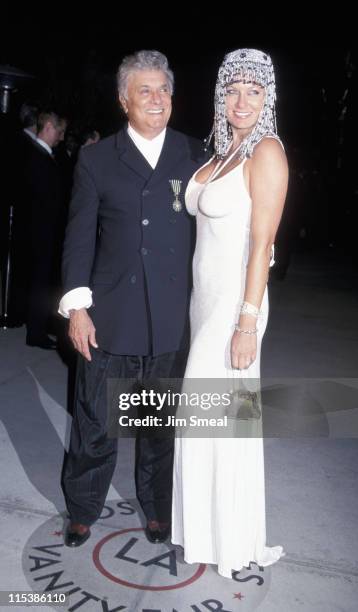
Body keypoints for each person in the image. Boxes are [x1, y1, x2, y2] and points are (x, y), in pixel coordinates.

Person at [58, 50, 206, 547]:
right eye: (145, 90)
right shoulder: (97, 158)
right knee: (96, 422)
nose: (157, 98)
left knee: (158, 426)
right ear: (124, 100)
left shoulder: (196, 154)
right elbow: (79, 236)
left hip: (171, 319)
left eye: (163, 88)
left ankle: (158, 507)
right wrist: (77, 306)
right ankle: (82, 507)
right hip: (111, 315)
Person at [172, 49, 288, 578]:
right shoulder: (223, 151)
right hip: (205, 304)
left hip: (234, 311)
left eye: (254, 90)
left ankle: (230, 538)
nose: (242, 100)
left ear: (268, 97)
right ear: (221, 95)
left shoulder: (266, 152)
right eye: (233, 89)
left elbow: (263, 245)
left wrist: (247, 323)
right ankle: (202, 531)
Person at [25, 110, 67, 349]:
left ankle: (39, 328)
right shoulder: (37, 156)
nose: (61, 137)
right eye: (59, 131)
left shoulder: (41, 155)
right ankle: (36, 333)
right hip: (41, 233)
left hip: (41, 232)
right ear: (48, 126)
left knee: (40, 282)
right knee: (40, 284)